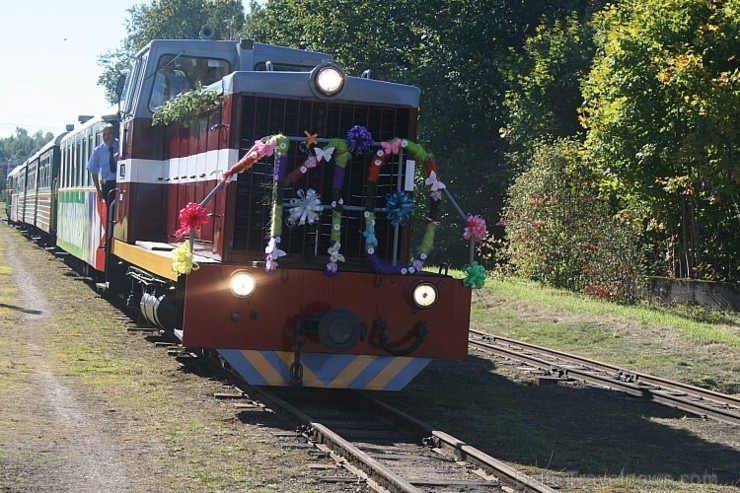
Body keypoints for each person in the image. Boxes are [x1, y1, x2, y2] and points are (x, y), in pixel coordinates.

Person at [87, 124, 118, 206]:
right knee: (110, 210)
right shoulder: (98, 151)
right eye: (104, 135)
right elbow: (93, 171)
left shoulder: (122, 146)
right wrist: (98, 190)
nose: (106, 137)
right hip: (107, 185)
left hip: (120, 183)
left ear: (114, 134)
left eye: (109, 134)